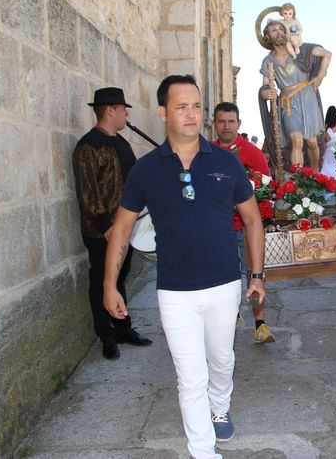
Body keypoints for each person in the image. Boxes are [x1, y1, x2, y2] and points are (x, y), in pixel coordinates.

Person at [103, 75, 266, 459]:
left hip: (224, 284)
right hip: (174, 291)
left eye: (196, 106)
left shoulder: (227, 162)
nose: (191, 114)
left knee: (222, 360)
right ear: (163, 112)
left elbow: (254, 219)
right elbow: (122, 230)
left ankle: (220, 405)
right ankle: (203, 451)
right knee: (190, 377)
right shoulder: (145, 170)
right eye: (181, 106)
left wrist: (256, 275)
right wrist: (110, 285)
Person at [72, 87, 152, 360]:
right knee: (102, 281)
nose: (126, 113)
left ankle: (123, 328)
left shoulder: (121, 142)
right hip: (102, 231)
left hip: (124, 227)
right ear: (110, 110)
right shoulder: (88, 146)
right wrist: (107, 226)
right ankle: (106, 336)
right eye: (123, 108)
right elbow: (88, 191)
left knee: (119, 278)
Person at [213, 101, 275, 344]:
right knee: (225, 276)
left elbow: (266, 187)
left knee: (254, 273)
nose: (226, 126)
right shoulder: (208, 153)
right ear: (215, 124)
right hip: (220, 229)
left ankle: (260, 324)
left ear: (239, 123)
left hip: (246, 228)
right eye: (221, 121)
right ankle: (232, 316)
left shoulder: (252, 152)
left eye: (231, 121)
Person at [259, 19, 331, 170]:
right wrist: (266, 93)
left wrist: (320, 76)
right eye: (273, 30)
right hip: (288, 103)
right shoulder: (268, 61)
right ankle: (298, 182)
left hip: (307, 97)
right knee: (296, 140)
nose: (279, 33)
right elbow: (265, 85)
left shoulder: (301, 50)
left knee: (311, 142)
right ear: (267, 37)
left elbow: (327, 54)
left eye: (281, 29)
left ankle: (315, 173)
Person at [321, 105, 336, 177]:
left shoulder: (325, 132)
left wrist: (322, 158)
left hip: (328, 154)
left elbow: (323, 147)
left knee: (327, 172)